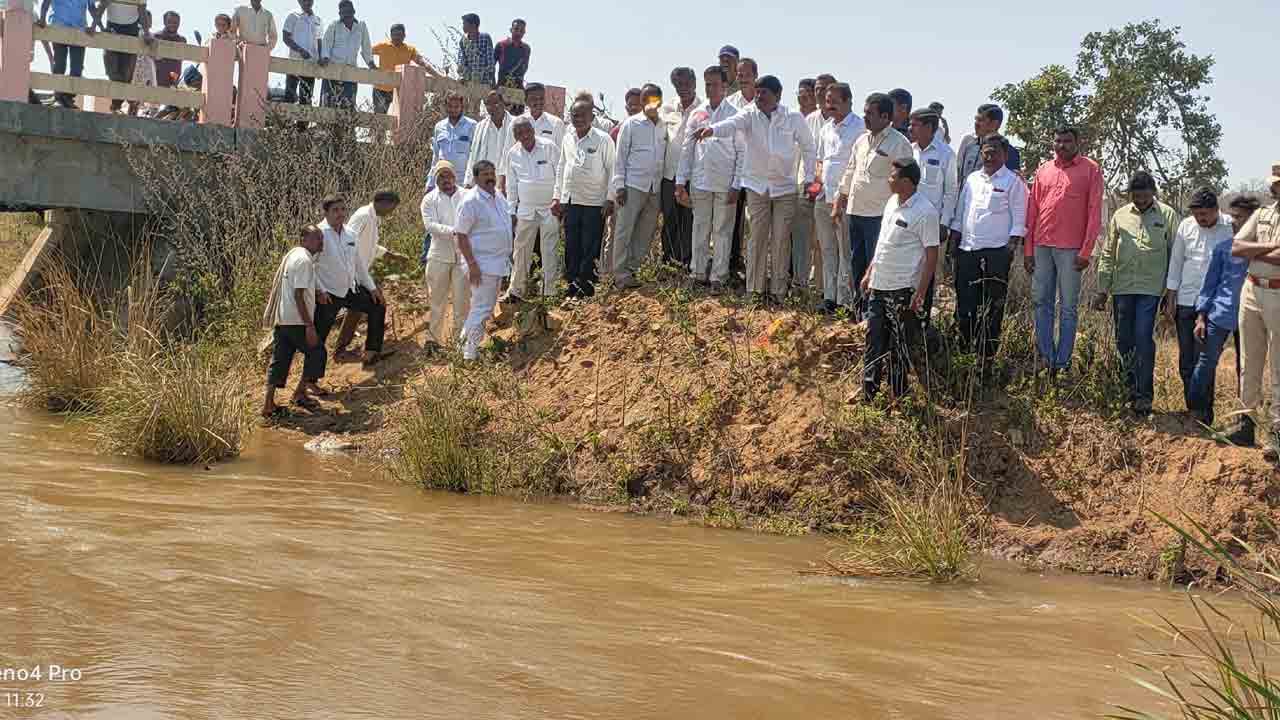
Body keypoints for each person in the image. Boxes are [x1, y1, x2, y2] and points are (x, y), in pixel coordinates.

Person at [695, 75, 815, 303]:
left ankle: (778, 292)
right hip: (756, 187)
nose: (759, 96)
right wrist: (711, 130)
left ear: (778, 95)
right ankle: (754, 291)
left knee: (780, 239)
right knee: (757, 238)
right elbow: (731, 124)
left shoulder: (792, 118)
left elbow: (808, 148)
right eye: (757, 92)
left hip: (784, 188)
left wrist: (808, 178)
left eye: (764, 93)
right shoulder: (749, 113)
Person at [1091, 171, 1178, 417]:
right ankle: (1126, 390)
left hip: (1151, 290)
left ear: (1153, 192)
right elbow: (1108, 253)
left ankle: (1144, 396)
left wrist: (1170, 293)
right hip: (1122, 288)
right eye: (1136, 197)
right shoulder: (1120, 215)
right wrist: (1102, 289)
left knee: (1142, 338)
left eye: (1144, 196)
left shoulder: (1168, 215)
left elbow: (1175, 255)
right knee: (1123, 339)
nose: (1140, 201)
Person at [1024, 126, 1104, 375]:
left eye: (1067, 141)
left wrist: (1086, 250)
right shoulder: (1044, 169)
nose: (1062, 145)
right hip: (1042, 246)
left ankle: (1062, 362)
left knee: (1068, 307)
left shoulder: (1091, 169)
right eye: (1058, 141)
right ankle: (1046, 358)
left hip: (1072, 250)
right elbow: (1032, 209)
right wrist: (1028, 250)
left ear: (1077, 142)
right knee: (1041, 302)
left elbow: (1094, 213)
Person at [949, 135, 1027, 378]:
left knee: (993, 306)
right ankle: (964, 352)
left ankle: (987, 357)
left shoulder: (1013, 182)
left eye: (994, 152)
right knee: (966, 302)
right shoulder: (972, 179)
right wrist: (955, 238)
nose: (989, 157)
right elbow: (961, 212)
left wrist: (1011, 249)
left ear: (1004, 154)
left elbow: (1019, 217)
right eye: (985, 152)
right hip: (968, 250)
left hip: (997, 252)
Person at [862, 159, 940, 401]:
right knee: (873, 341)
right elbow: (882, 241)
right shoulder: (891, 203)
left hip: (903, 289)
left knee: (899, 346)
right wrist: (869, 271)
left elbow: (931, 255)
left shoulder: (925, 211)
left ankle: (899, 396)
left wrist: (921, 292)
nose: (889, 179)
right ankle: (869, 395)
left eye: (893, 176)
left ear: (906, 182)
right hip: (879, 284)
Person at [834, 92, 913, 318]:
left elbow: (906, 182)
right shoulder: (861, 140)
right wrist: (840, 198)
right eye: (865, 112)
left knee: (875, 266)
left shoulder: (899, 144)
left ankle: (874, 316)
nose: (865, 117)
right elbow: (851, 170)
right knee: (856, 265)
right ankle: (858, 311)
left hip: (879, 216)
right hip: (855, 211)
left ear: (886, 116)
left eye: (870, 113)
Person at [1225, 166, 1280, 455]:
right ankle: (1246, 423)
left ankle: (1277, 434)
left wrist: (1254, 248)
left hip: (1278, 292)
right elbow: (1236, 246)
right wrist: (1269, 246)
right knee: (1249, 361)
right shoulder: (1263, 213)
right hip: (1252, 289)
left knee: (1279, 367)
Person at [1166, 187, 1233, 415]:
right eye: (1197, 215)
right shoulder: (1186, 226)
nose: (1200, 219)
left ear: (1216, 210)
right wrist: (1170, 299)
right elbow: (1175, 264)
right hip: (1186, 300)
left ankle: (1204, 413)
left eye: (1205, 214)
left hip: (1215, 305)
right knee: (1186, 360)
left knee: (1204, 361)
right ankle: (1193, 410)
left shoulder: (1230, 227)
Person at [1185, 194, 1249, 428]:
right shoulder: (1224, 249)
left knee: (1246, 369)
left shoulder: (1261, 253)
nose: (1234, 222)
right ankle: (1195, 412)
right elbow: (1209, 285)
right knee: (1205, 363)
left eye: (1240, 218)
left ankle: (1245, 421)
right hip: (1220, 313)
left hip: (1251, 318)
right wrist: (1201, 316)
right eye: (1233, 217)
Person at [676, 65, 742, 288]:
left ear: (725, 85)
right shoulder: (697, 113)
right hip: (700, 181)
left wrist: (736, 184)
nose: (710, 88)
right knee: (700, 229)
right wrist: (679, 183)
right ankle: (697, 274)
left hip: (725, 183)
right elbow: (687, 149)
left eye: (714, 84)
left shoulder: (735, 114)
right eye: (707, 84)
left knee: (722, 231)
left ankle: (718, 277)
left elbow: (742, 152)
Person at [313, 195, 388, 372]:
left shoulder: (349, 234)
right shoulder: (318, 234)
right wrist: (319, 290)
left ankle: (371, 352)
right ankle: (310, 380)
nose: (340, 214)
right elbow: (309, 266)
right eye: (335, 210)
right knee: (318, 338)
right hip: (328, 294)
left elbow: (359, 265)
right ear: (325, 212)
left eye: (342, 209)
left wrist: (371, 287)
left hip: (349, 289)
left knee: (377, 304)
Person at [261, 225, 326, 417]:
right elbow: (298, 295)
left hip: (283, 319)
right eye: (316, 239)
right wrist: (309, 326)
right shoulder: (305, 260)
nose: (320, 242)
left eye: (321, 238)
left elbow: (299, 288)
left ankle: (268, 404)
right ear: (304, 240)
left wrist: (317, 291)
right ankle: (299, 393)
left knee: (280, 359)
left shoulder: (293, 256)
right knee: (317, 352)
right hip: (297, 321)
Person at [608, 83, 668, 289]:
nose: (650, 103)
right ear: (642, 102)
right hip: (632, 185)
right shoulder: (631, 124)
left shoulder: (663, 125)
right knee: (624, 230)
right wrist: (619, 186)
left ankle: (631, 270)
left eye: (655, 99)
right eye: (646, 99)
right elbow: (620, 157)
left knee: (646, 231)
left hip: (654, 187)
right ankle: (619, 274)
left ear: (659, 101)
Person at [555, 98, 617, 297]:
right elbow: (562, 166)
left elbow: (612, 169)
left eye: (582, 115)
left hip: (594, 202)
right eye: (574, 115)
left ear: (592, 116)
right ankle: (572, 284)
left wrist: (610, 198)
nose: (578, 119)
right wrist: (558, 196)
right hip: (571, 201)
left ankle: (586, 286)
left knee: (590, 246)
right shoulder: (568, 137)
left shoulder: (603, 139)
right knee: (571, 245)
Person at [454, 160, 514, 361]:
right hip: (481, 264)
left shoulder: (498, 196)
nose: (490, 177)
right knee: (481, 308)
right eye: (485, 174)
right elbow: (460, 235)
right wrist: (472, 265)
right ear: (476, 178)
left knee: (484, 307)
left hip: (497, 263)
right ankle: (468, 354)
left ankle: (465, 350)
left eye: (492, 173)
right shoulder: (471, 201)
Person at [813, 82, 864, 313]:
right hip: (824, 197)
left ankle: (845, 301)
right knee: (827, 251)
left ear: (848, 101)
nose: (829, 105)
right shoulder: (825, 128)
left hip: (845, 200)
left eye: (834, 100)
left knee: (846, 253)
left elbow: (859, 167)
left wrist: (842, 197)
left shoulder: (859, 129)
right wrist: (815, 186)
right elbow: (821, 161)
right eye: (827, 100)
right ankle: (829, 298)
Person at [332, 190, 401, 355]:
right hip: (351, 274)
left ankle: (341, 347)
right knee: (377, 304)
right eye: (392, 207)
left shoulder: (372, 218)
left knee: (357, 309)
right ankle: (372, 352)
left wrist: (388, 254)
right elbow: (347, 241)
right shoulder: (364, 216)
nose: (391, 212)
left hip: (358, 273)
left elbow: (369, 247)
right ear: (384, 203)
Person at [504, 116, 563, 301]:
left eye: (527, 130)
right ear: (515, 136)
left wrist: (557, 198)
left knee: (549, 248)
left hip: (549, 208)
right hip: (526, 209)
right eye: (519, 133)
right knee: (521, 249)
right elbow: (511, 186)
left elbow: (560, 173)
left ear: (533, 130)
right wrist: (511, 211)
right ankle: (516, 290)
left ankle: (549, 291)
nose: (525, 135)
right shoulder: (513, 154)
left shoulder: (548, 146)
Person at [908, 107, 956, 324]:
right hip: (908, 221)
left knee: (927, 272)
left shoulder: (946, 154)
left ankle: (922, 319)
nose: (910, 128)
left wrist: (944, 223)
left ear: (929, 128)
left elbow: (951, 191)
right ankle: (905, 316)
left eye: (915, 124)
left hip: (932, 223)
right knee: (908, 269)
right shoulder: (909, 151)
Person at [421, 161, 470, 347]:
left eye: (448, 175)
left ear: (454, 176)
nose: (445, 180)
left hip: (463, 257)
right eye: (441, 176)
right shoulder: (429, 199)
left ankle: (461, 343)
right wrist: (455, 231)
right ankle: (433, 341)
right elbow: (430, 226)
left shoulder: (467, 195)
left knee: (462, 303)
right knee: (436, 302)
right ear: (436, 179)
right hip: (438, 256)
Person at [659, 66, 700, 268]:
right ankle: (668, 262)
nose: (683, 88)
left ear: (694, 83)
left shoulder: (703, 109)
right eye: (678, 84)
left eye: (687, 83)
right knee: (669, 220)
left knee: (689, 222)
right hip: (669, 175)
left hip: (693, 176)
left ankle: (687, 262)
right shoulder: (666, 109)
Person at [36, 0, 100, 109]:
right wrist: (42, 18)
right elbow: (46, 2)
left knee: (77, 69)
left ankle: (67, 97)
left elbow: (92, 8)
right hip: (59, 27)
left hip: (79, 30)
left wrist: (96, 25)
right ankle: (58, 96)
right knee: (60, 65)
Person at [789, 78, 818, 290]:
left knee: (821, 242)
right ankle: (799, 282)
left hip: (824, 188)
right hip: (800, 186)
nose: (804, 98)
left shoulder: (830, 122)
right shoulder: (797, 119)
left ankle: (820, 285)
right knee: (799, 238)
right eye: (802, 94)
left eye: (809, 94)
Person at [955, 104, 1021, 193]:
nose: (976, 124)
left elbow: (1011, 187)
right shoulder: (968, 143)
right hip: (963, 202)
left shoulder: (1009, 152)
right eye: (976, 119)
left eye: (981, 120)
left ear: (995, 124)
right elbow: (957, 175)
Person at [318, 0, 373, 108]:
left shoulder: (361, 26)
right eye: (343, 12)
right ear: (339, 13)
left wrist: (370, 63)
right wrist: (325, 57)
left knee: (348, 104)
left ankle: (344, 125)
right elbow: (326, 44)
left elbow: (366, 46)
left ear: (353, 11)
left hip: (351, 69)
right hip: (332, 68)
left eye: (348, 11)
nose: (346, 14)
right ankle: (325, 125)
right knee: (328, 102)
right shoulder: (334, 25)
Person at [370, 24, 433, 113]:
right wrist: (371, 65)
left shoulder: (410, 50)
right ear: (390, 35)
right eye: (394, 34)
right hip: (381, 89)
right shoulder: (383, 46)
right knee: (379, 118)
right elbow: (366, 51)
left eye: (399, 34)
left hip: (400, 89)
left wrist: (436, 75)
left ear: (404, 36)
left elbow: (422, 63)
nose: (397, 37)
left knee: (402, 117)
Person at [464, 89, 515, 192]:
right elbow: (473, 155)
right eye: (488, 104)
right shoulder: (480, 127)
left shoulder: (515, 124)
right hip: (485, 183)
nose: (492, 107)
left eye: (496, 103)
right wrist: (469, 182)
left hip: (509, 183)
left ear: (503, 104)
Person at [100, 0, 146, 112]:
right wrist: (98, 26)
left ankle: (116, 106)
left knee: (126, 73)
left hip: (131, 28)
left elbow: (142, 10)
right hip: (112, 26)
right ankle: (118, 104)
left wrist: (147, 32)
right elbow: (100, 5)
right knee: (112, 70)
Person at [427, 91, 476, 194]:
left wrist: (470, 182)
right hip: (442, 181)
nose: (453, 110)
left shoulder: (472, 126)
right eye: (450, 106)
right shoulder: (439, 127)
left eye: (456, 106)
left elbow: (475, 156)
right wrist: (430, 183)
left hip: (463, 183)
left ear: (462, 107)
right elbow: (435, 157)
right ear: (445, 106)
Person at [282, 0, 323, 121]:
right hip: (294, 62)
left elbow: (319, 41)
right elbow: (286, 37)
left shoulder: (318, 20)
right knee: (290, 96)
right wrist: (300, 50)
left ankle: (302, 131)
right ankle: (286, 129)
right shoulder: (293, 16)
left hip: (310, 65)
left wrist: (320, 57)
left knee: (306, 98)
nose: (307, 2)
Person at [522, 82, 565, 150]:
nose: (538, 102)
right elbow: (508, 153)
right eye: (534, 98)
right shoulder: (516, 123)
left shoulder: (556, 123)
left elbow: (561, 154)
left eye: (541, 98)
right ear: (525, 101)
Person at [495, 18, 530, 94]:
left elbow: (525, 67)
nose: (518, 33)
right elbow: (491, 66)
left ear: (524, 32)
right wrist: (492, 85)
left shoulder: (526, 48)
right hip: (502, 86)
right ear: (511, 30)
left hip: (518, 88)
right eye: (516, 29)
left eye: (521, 31)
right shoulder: (501, 45)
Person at [457, 12, 494, 86]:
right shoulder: (463, 41)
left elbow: (490, 61)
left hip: (484, 81)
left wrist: (489, 78)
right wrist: (462, 75)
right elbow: (461, 60)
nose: (463, 26)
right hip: (468, 81)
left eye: (465, 24)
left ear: (473, 25)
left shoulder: (485, 38)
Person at [153, 12, 186, 89]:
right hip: (157, 80)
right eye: (170, 22)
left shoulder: (182, 40)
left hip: (173, 81)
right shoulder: (157, 37)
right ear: (164, 22)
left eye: (175, 22)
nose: (173, 25)